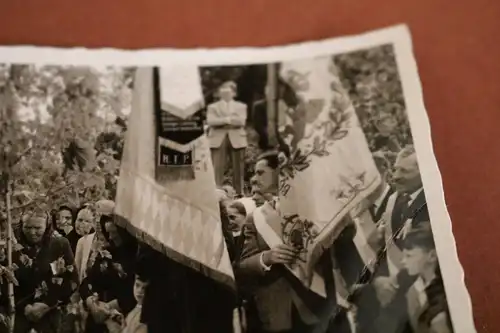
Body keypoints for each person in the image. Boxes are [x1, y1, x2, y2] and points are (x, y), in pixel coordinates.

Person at [239, 151, 338, 333]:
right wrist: (266, 258)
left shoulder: (313, 206)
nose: (255, 178)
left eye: (261, 172)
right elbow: (243, 265)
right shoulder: (256, 218)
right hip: (275, 311)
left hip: (316, 304)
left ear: (280, 171)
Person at [13, 208, 79, 333]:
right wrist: (24, 307)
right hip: (19, 316)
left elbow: (72, 280)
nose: (32, 232)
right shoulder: (13, 247)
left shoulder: (60, 244)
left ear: (47, 226)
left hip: (51, 315)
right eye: (27, 227)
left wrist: (48, 304)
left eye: (38, 228)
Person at [79, 212, 138, 333]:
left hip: (121, 318)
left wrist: (109, 307)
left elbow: (136, 290)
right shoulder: (106, 253)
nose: (110, 237)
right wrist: (91, 303)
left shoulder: (136, 256)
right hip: (97, 316)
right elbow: (87, 281)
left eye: (114, 233)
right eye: (108, 232)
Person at [399, 222, 452, 333]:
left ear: (432, 256)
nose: (403, 261)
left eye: (409, 256)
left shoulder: (445, 290)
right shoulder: (412, 291)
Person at [206, 81, 248, 196]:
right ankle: (215, 193)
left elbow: (241, 121)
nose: (225, 93)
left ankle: (239, 193)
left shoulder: (241, 106)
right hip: (217, 139)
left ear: (234, 93)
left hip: (237, 139)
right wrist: (228, 120)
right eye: (223, 90)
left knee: (238, 168)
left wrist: (221, 120)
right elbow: (211, 121)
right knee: (217, 168)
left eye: (228, 90)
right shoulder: (212, 107)